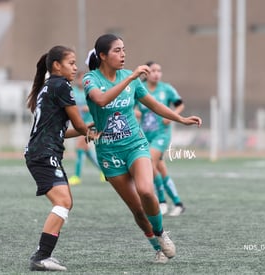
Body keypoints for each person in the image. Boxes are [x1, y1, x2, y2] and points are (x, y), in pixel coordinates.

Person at [84, 34, 202, 263]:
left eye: (124, 49)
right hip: (109, 153)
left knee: (146, 191)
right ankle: (157, 246)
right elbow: (100, 100)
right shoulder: (91, 79)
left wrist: (181, 119)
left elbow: (154, 105)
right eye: (117, 50)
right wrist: (130, 80)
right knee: (138, 211)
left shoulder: (129, 77)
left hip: (135, 145)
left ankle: (160, 233)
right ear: (102, 56)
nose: (123, 54)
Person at [24, 45, 97, 271]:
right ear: (57, 65)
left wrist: (89, 129)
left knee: (65, 202)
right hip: (43, 154)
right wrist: (91, 125)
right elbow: (77, 124)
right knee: (63, 202)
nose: (76, 67)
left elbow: (62, 131)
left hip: (44, 152)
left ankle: (43, 255)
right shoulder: (61, 85)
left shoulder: (50, 86)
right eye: (71, 63)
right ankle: (41, 257)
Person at [137, 61, 186, 217]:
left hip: (161, 134)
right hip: (145, 134)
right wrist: (136, 112)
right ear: (146, 73)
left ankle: (162, 202)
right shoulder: (140, 88)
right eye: (153, 70)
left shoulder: (166, 89)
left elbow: (180, 104)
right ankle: (178, 203)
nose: (156, 73)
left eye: (159, 70)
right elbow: (132, 106)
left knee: (149, 162)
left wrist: (172, 117)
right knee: (160, 170)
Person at [68, 71, 105, 185]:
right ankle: (104, 171)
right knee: (86, 151)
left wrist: (87, 108)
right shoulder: (72, 91)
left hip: (89, 123)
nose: (82, 82)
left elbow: (99, 105)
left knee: (80, 147)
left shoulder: (90, 92)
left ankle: (77, 176)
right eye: (80, 79)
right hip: (77, 124)